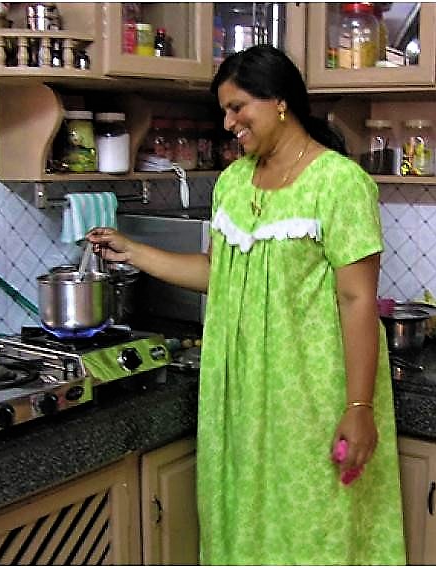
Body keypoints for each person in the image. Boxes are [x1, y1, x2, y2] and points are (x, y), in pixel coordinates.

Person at [87, 45, 406, 565]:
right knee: (246, 525)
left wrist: (358, 407)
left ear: (280, 101)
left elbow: (357, 299)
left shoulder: (341, 184)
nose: (229, 121)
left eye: (238, 107)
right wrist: (135, 250)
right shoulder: (232, 184)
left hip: (310, 394)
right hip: (240, 393)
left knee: (314, 530)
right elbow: (220, 274)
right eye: (224, 110)